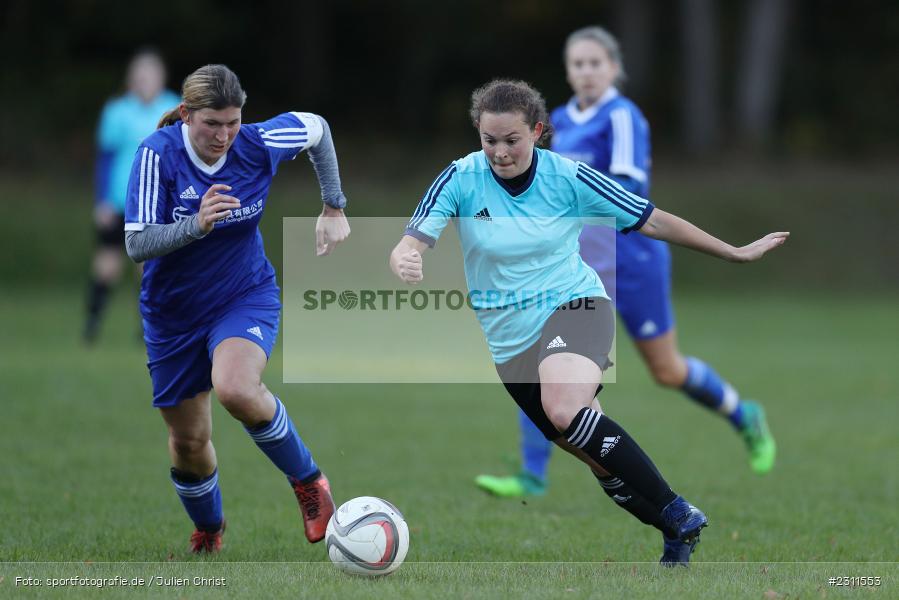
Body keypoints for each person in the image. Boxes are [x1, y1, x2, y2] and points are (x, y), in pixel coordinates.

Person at [390, 79, 787, 565]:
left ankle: (677, 510)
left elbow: (653, 219)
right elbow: (411, 240)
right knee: (595, 455)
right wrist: (406, 257)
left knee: (562, 408)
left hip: (575, 304)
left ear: (537, 131)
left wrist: (732, 252)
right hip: (509, 342)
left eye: (511, 140)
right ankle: (673, 531)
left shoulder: (570, 177)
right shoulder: (460, 177)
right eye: (489, 140)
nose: (499, 152)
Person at [475, 26, 777, 501]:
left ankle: (745, 415)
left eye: (596, 63)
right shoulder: (558, 122)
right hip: (574, 270)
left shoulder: (622, 117)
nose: (587, 72)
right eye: (578, 64)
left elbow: (623, 192)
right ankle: (533, 475)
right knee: (537, 359)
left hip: (632, 261)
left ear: (615, 68)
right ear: (568, 71)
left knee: (666, 370)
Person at [124, 64, 350, 553]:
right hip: (173, 315)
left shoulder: (256, 142)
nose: (224, 135)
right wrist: (196, 224)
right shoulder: (155, 155)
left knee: (236, 388)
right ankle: (209, 530)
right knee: (189, 442)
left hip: (243, 294)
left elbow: (318, 129)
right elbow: (137, 243)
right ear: (186, 115)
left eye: (232, 122)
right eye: (212, 124)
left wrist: (334, 205)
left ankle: (310, 483)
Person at [84, 49, 181, 344]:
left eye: (150, 74)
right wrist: (101, 200)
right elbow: (106, 158)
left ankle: (147, 330)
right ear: (131, 78)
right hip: (118, 201)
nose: (145, 80)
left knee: (149, 268)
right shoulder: (117, 111)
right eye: (140, 74)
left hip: (154, 201)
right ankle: (92, 325)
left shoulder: (174, 107)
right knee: (107, 265)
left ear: (161, 77)